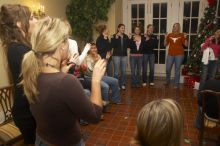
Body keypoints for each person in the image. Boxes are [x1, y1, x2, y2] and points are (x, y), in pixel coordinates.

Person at [21, 18, 106, 146]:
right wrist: (95, 80)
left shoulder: (32, 73)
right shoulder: (66, 82)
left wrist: (61, 72)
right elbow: (94, 116)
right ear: (61, 46)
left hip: (42, 139)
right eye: (67, 40)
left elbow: (52, 103)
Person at [0, 4, 37, 145]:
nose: (35, 21)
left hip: (25, 110)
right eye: (32, 18)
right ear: (20, 24)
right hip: (26, 114)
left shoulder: (16, 47)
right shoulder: (20, 50)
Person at [164, 23, 188, 88]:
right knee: (168, 69)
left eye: (176, 27)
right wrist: (165, 38)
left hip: (179, 54)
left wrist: (185, 38)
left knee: (177, 69)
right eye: (174, 26)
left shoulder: (181, 35)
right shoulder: (169, 35)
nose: (175, 28)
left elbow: (186, 45)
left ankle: (176, 84)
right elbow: (165, 44)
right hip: (170, 54)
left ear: (179, 28)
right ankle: (167, 81)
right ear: (173, 27)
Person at [111, 24, 130, 90]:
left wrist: (129, 39)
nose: (123, 29)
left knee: (124, 71)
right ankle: (116, 85)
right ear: (118, 29)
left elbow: (128, 46)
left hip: (124, 56)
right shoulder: (114, 36)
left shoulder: (126, 36)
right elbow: (112, 45)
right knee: (116, 72)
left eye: (124, 28)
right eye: (122, 28)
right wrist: (116, 38)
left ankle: (122, 84)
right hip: (116, 56)